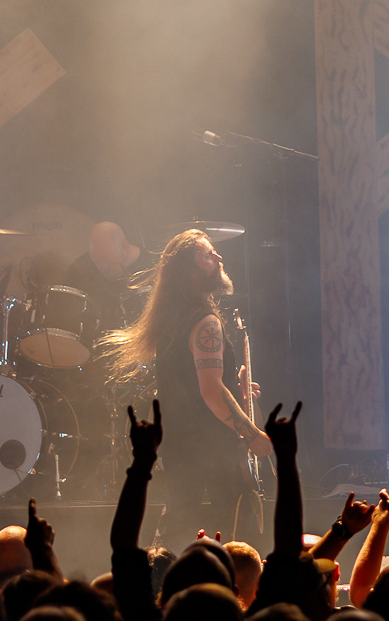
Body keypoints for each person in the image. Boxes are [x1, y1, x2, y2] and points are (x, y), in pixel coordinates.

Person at [99, 230, 269, 546]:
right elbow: (210, 391)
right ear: (190, 273)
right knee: (228, 537)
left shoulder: (173, 320)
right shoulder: (205, 322)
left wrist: (236, 389)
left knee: (179, 528)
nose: (218, 258)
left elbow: (199, 386)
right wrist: (253, 434)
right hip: (211, 452)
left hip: (181, 448)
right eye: (207, 255)